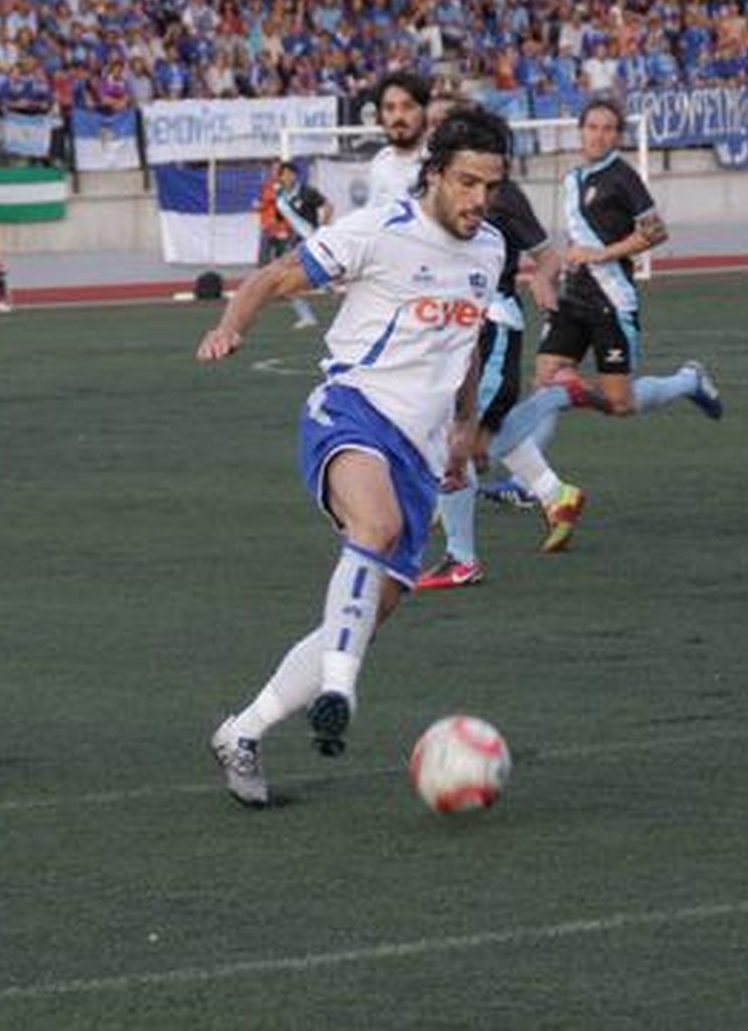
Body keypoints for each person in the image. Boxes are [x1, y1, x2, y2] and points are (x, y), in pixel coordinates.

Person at [198, 105, 511, 807]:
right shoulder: (380, 230)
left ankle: (242, 731)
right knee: (375, 529)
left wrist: (464, 428)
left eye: (491, 187)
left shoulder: (489, 248)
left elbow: (466, 346)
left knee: (368, 609)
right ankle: (339, 690)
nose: (478, 200)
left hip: (423, 453)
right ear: (434, 174)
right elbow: (275, 276)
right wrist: (230, 326)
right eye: (466, 183)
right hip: (351, 409)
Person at [486, 98, 723, 553]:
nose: (598, 135)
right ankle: (531, 480)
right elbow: (569, 245)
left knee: (620, 403)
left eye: (607, 128)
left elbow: (656, 232)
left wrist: (602, 254)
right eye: (591, 127)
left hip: (613, 302)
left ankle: (688, 381)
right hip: (575, 301)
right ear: (580, 131)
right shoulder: (574, 178)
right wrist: (547, 277)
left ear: (617, 135)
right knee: (544, 381)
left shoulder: (622, 176)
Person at [415, 95, 565, 591]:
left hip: (492, 322)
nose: (434, 129)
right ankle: (553, 492)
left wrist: (543, 280)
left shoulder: (505, 195)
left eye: (445, 123)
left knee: (466, 434)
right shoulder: (421, 190)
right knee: (468, 437)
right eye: (432, 123)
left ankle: (463, 556)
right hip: (445, 328)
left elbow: (546, 254)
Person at [257, 160, 331, 329]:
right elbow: (282, 219)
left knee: (335, 278)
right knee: (286, 281)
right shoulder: (281, 196)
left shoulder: (307, 192)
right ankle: (307, 316)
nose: (288, 177)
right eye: (284, 174)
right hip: (297, 243)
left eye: (291, 174)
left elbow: (328, 206)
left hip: (314, 241)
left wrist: (323, 228)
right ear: (280, 177)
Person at [364, 71, 429, 206]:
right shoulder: (380, 162)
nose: (398, 116)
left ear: (424, 112)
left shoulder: (438, 163)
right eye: (389, 108)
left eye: (408, 107)